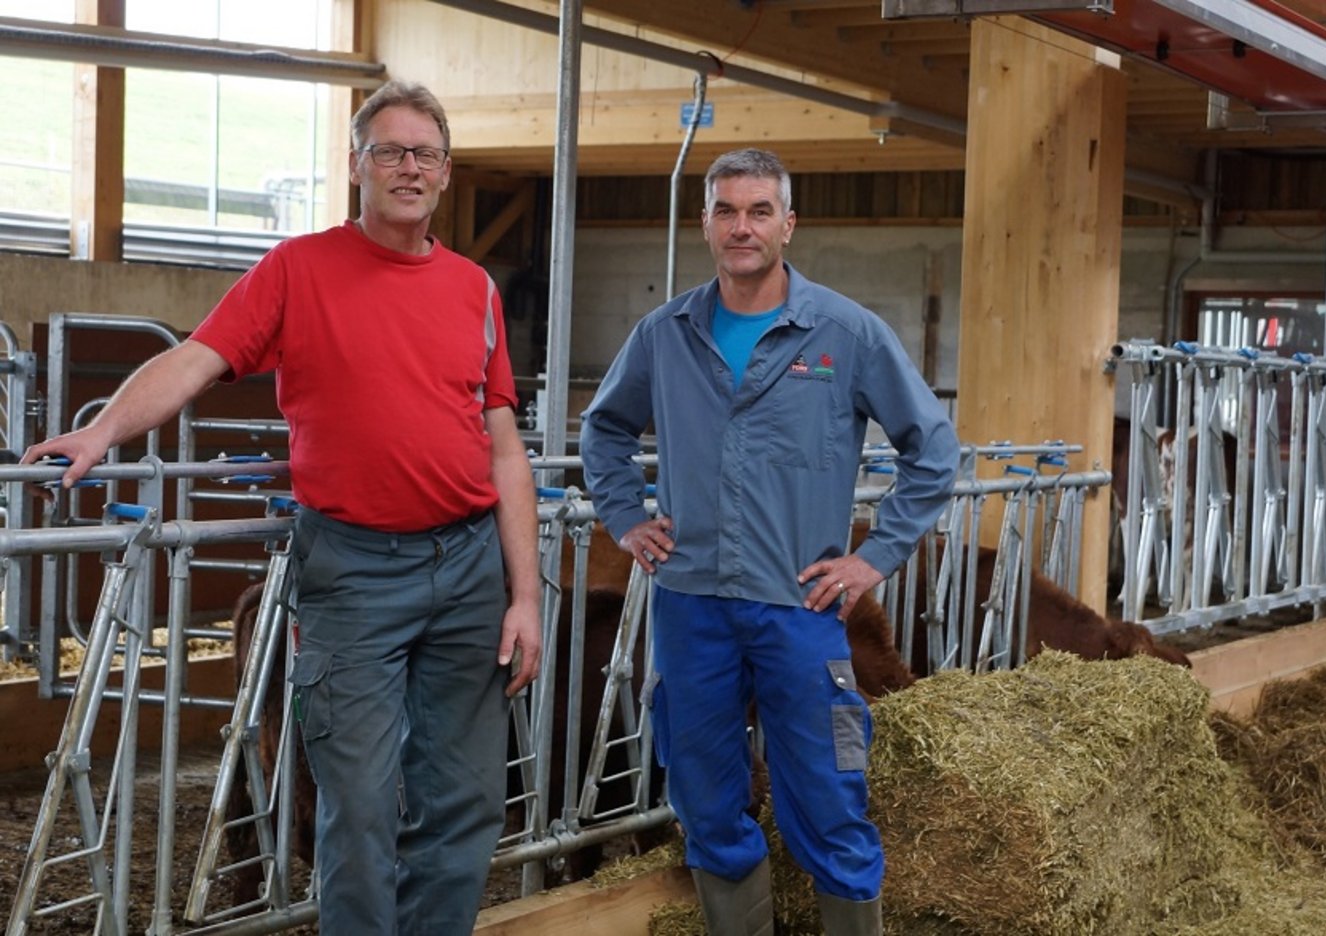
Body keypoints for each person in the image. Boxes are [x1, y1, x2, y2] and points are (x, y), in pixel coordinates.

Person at [21, 80, 541, 934]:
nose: (408, 168)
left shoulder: (474, 289)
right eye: (390, 151)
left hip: (469, 564)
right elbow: (195, 359)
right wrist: (102, 432)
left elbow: (505, 450)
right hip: (355, 569)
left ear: (445, 173)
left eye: (426, 154)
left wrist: (524, 595)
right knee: (359, 803)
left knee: (467, 802)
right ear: (355, 166)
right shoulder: (298, 269)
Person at [579, 148, 960, 935]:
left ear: (788, 224)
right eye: (726, 211)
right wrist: (624, 515)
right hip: (692, 606)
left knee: (827, 794)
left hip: (801, 605)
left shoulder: (845, 333)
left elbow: (934, 448)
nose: (741, 227)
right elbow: (604, 427)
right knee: (705, 796)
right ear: (706, 224)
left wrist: (874, 556)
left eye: (759, 211)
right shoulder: (665, 332)